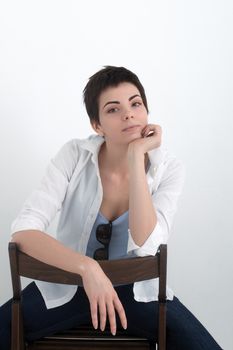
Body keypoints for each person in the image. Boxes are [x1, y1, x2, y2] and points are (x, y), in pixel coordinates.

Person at [0, 66, 222, 349]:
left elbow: (146, 245)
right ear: (97, 125)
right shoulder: (74, 155)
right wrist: (88, 268)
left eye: (136, 103)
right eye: (113, 109)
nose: (128, 113)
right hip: (71, 285)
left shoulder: (169, 168)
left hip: (136, 292)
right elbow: (23, 230)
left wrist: (136, 156)